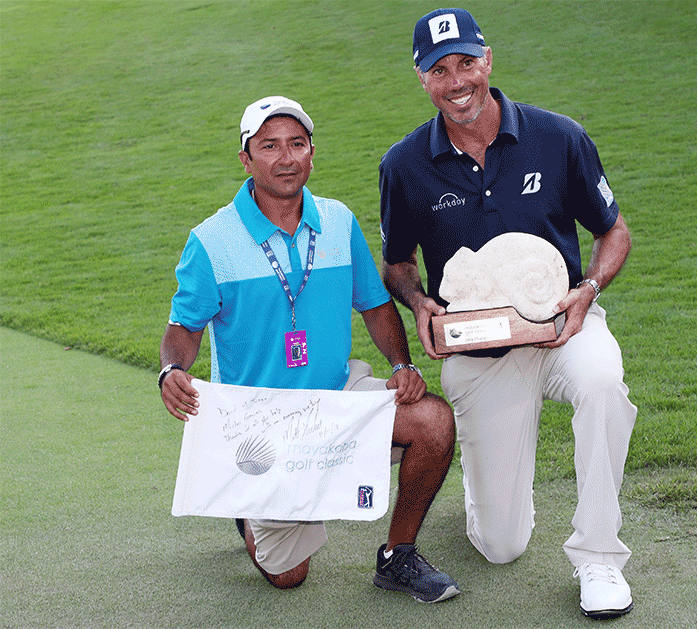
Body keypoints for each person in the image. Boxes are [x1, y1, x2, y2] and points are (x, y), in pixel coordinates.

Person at [379, 9, 637, 619]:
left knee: (603, 382)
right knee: (501, 546)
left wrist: (589, 288)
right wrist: (418, 301)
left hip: (563, 328)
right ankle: (487, 488)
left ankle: (598, 556)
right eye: (439, 70)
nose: (457, 81)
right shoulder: (403, 164)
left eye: (466, 63)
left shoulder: (558, 136)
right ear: (422, 78)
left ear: (487, 61)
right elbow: (397, 263)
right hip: (479, 350)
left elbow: (614, 230)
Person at [159, 95, 459, 603]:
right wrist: (171, 370)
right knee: (289, 575)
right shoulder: (211, 240)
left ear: (312, 154)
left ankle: (399, 554)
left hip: (335, 397)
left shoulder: (338, 221)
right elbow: (183, 328)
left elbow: (375, 305)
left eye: (297, 144)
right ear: (246, 159)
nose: (286, 158)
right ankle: (248, 506)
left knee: (432, 421)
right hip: (261, 420)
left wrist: (401, 363)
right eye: (269, 146)